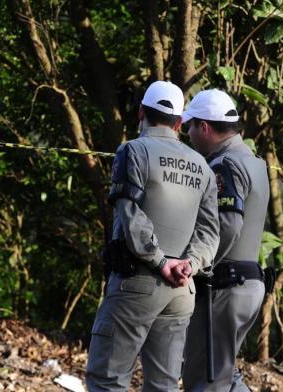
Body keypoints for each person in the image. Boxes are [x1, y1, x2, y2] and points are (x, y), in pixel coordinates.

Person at [86, 81, 220, 392]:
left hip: (138, 281)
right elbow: (210, 231)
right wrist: (189, 264)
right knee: (164, 385)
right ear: (179, 123)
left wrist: (161, 262)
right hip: (182, 291)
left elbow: (131, 216)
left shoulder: (133, 150)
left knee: (107, 379)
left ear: (141, 113)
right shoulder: (202, 166)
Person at [182, 89, 270, 392]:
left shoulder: (224, 165)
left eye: (189, 126)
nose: (188, 134)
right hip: (249, 285)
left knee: (203, 381)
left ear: (204, 127)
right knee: (224, 375)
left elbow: (228, 225)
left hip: (224, 287)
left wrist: (198, 267)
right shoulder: (256, 162)